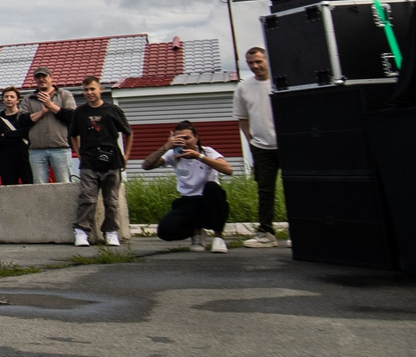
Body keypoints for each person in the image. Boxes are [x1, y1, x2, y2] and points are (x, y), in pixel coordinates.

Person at [145, 121, 234, 252]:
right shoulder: (174, 155)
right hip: (188, 201)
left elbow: (228, 170)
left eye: (187, 138)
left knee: (213, 188)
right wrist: (166, 147)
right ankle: (196, 232)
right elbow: (146, 165)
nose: (184, 142)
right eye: (179, 139)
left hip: (208, 199)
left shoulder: (207, 152)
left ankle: (218, 237)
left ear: (196, 138)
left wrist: (198, 156)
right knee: (165, 231)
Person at [68, 75, 133, 248]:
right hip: (89, 160)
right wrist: (79, 153)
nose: (89, 93)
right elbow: (73, 134)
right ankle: (82, 231)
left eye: (92, 89)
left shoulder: (112, 110)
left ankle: (111, 231)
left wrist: (126, 155)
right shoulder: (80, 112)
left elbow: (128, 132)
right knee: (87, 197)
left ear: (100, 90)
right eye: (86, 90)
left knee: (111, 200)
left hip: (111, 159)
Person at [234, 45, 282, 246]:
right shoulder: (243, 87)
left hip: (287, 143)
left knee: (296, 187)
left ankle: (301, 230)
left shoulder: (280, 81)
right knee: (265, 190)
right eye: (251, 63)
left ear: (267, 61)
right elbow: (242, 118)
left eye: (259, 61)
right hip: (261, 146)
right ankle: (266, 232)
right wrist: (251, 142)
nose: (255, 66)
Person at [23, 68, 77, 184]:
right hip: (36, 150)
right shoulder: (28, 98)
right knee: (39, 185)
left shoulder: (64, 95)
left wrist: (50, 105)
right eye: (38, 77)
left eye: (44, 76)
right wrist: (41, 112)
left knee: (64, 183)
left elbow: (72, 117)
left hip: (61, 148)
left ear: (51, 77)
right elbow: (22, 121)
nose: (41, 79)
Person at [0, 87, 32, 186]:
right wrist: (17, 134)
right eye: (6, 97)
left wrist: (6, 134)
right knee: (9, 190)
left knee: (30, 186)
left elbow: (27, 132)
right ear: (3, 99)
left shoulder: (24, 117)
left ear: (17, 100)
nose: (9, 99)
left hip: (25, 158)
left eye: (12, 97)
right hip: (6, 161)